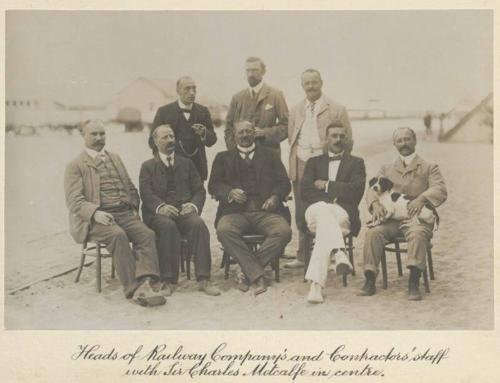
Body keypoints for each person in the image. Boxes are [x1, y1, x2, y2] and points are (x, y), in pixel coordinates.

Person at [64, 119, 165, 307]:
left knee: (147, 234)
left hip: (124, 213)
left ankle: (147, 281)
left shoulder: (115, 158)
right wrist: (95, 213)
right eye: (93, 134)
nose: (99, 138)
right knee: (118, 235)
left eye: (102, 134)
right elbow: (74, 201)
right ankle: (133, 288)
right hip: (95, 219)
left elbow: (130, 187)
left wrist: (133, 208)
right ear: (83, 136)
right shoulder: (76, 165)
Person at [359, 127, 447, 300]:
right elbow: (371, 190)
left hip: (417, 219)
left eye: (407, 139)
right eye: (399, 140)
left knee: (417, 234)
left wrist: (422, 198)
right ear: (394, 144)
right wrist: (375, 204)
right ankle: (369, 279)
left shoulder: (429, 166)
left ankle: (414, 281)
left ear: (415, 141)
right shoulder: (387, 168)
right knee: (373, 233)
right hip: (393, 221)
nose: (404, 143)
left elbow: (440, 189)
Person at [209, 120, 292, 295]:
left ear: (254, 133)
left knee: (283, 231)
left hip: (266, 211)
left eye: (248, 131)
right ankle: (257, 274)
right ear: (234, 136)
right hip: (235, 212)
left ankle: (246, 270)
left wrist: (275, 197)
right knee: (224, 231)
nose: (245, 135)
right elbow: (214, 185)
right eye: (241, 132)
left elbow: (284, 183)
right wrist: (230, 192)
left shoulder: (270, 155)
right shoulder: (223, 158)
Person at [140, 125, 220, 296]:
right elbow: (146, 193)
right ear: (155, 141)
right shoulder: (147, 166)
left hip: (183, 210)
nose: (170, 140)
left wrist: (192, 205)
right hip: (158, 214)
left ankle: (204, 279)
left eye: (172, 136)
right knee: (168, 227)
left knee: (198, 225)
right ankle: (168, 281)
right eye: (165, 138)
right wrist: (161, 207)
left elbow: (199, 190)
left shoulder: (187, 163)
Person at [285, 68, 353, 270]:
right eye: (307, 83)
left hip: (325, 164)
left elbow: (347, 141)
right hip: (301, 164)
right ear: (302, 86)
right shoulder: (296, 109)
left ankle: (334, 253)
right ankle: (303, 256)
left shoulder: (336, 108)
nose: (311, 86)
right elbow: (292, 138)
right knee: (301, 211)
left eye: (314, 82)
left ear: (321, 82)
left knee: (329, 208)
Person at [301, 123, 365, 303]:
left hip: (342, 215)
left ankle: (316, 286)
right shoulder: (313, 162)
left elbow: (356, 191)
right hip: (315, 211)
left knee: (325, 220)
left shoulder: (356, 163)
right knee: (323, 209)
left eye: (341, 136)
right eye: (334, 136)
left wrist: (327, 185)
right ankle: (338, 251)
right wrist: (335, 195)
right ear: (326, 139)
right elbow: (305, 191)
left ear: (346, 139)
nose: (338, 139)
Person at [150, 76, 217, 182]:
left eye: (194, 88)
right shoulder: (164, 112)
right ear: (178, 91)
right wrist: (163, 164)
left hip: (197, 170)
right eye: (187, 89)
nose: (192, 92)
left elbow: (212, 140)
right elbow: (152, 142)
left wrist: (204, 133)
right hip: (171, 171)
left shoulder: (203, 111)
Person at [224, 57, 289, 154]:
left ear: (263, 72)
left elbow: (287, 126)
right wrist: (234, 150)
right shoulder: (237, 98)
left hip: (268, 155)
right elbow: (228, 127)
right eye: (248, 70)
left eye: (254, 70)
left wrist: (265, 133)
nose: (250, 74)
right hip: (242, 156)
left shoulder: (276, 95)